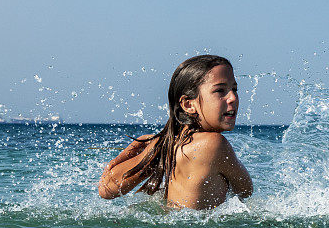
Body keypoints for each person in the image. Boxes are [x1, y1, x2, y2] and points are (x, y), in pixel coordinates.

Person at [98, 55, 253, 209]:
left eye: (234, 89)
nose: (233, 97)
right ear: (188, 105)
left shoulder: (167, 145)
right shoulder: (214, 143)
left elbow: (106, 189)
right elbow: (245, 190)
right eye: (220, 90)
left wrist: (151, 143)